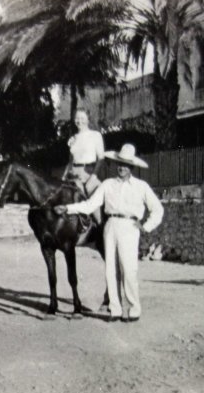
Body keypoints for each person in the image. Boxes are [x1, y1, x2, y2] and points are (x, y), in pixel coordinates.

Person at [54, 144, 164, 322]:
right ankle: (115, 309)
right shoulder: (107, 184)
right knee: (110, 269)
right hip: (110, 225)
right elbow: (90, 205)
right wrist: (67, 208)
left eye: (126, 165)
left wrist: (146, 226)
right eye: (119, 164)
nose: (122, 168)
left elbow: (158, 210)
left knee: (129, 270)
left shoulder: (141, 186)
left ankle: (134, 309)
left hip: (130, 227)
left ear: (132, 167)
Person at [65, 109, 105, 197]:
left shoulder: (95, 135)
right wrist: (64, 176)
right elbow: (71, 160)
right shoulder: (73, 138)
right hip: (73, 175)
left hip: (89, 173)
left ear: (88, 119)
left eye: (82, 118)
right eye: (77, 118)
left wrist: (93, 177)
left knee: (95, 202)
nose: (79, 121)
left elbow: (101, 158)